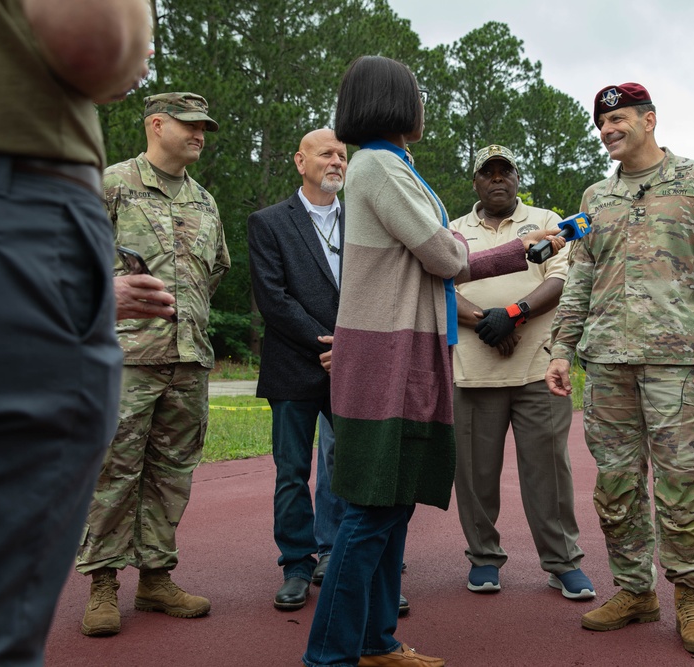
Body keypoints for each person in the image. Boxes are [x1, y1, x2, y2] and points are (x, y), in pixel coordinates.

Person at [302, 55, 563, 667]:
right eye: (416, 95)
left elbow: (441, 256)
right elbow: (444, 256)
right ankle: (329, 655)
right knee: (371, 512)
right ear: (393, 103)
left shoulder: (389, 166)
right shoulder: (380, 167)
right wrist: (517, 251)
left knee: (391, 508)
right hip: (389, 357)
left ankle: (376, 640)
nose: (423, 106)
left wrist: (518, 251)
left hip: (404, 351)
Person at [545, 82, 694, 656]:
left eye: (619, 119)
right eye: (602, 123)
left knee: (681, 485)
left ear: (650, 120)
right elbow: (580, 278)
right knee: (615, 486)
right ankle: (636, 590)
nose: (609, 129)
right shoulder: (595, 198)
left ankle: (690, 597)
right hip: (608, 362)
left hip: (676, 363)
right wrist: (561, 348)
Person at [0, 0, 152, 663]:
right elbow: (95, 39)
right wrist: (133, 42)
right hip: (23, 194)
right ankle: (104, 581)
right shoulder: (123, 182)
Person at [76, 91, 231, 637]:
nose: (199, 135)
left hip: (188, 360)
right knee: (113, 472)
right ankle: (101, 583)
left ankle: (156, 577)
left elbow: (213, 272)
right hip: (123, 361)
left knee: (171, 475)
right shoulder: (111, 185)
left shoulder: (205, 201)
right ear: (156, 123)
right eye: (190, 125)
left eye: (204, 127)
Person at [450, 144, 593, 600]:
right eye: (487, 173)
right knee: (474, 475)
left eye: (504, 171)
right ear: (475, 182)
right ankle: (484, 558)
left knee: (548, 472)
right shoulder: (452, 230)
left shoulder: (546, 221)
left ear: (516, 178)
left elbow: (562, 277)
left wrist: (512, 314)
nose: (497, 179)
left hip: (537, 368)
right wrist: (484, 322)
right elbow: (437, 285)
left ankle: (562, 562)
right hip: (474, 371)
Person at [248, 127, 354, 611]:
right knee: (292, 470)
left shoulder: (365, 220)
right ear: (299, 161)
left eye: (342, 155)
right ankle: (296, 562)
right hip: (294, 367)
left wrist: (353, 348)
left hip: (353, 367)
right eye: (326, 154)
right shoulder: (268, 222)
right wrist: (326, 342)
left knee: (349, 468)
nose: (336, 161)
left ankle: (339, 553)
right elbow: (273, 299)